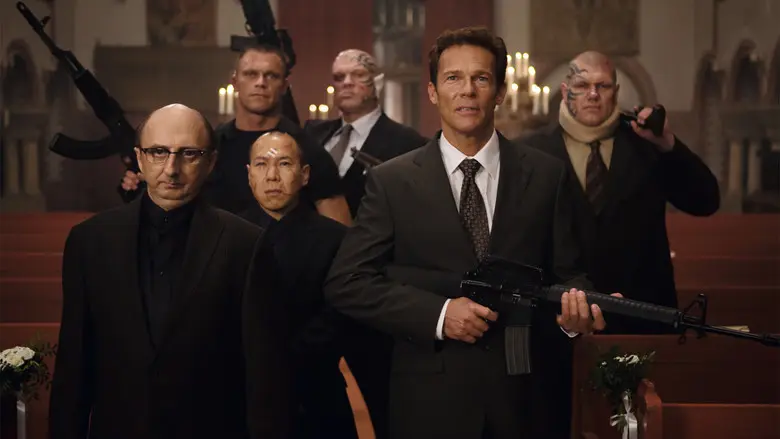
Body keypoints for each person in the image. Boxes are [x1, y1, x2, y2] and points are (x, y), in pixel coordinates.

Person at [324, 27, 613, 439]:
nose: (467, 91)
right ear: (433, 92)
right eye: (453, 78)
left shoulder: (546, 175)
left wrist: (575, 314)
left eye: (480, 78)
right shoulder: (392, 182)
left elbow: (569, 274)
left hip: (525, 401)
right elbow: (347, 283)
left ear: (500, 92)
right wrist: (439, 315)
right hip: (428, 403)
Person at [49, 104, 291, 439]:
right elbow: (74, 368)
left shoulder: (247, 245)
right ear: (140, 158)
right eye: (158, 152)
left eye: (189, 154)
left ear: (211, 162)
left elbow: (265, 377)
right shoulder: (89, 241)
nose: (172, 169)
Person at [516, 50, 721, 439]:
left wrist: (668, 142)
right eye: (582, 85)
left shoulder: (646, 146)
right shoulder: (532, 152)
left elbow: (706, 200)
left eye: (603, 85)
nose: (593, 94)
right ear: (565, 91)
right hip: (557, 323)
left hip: (641, 317)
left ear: (617, 91)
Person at [304, 49, 427, 438]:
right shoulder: (312, 136)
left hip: (375, 284)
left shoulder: (407, 142)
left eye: (356, 75)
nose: (346, 84)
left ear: (377, 83)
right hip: (315, 287)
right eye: (338, 77)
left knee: (385, 403)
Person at [120, 43, 352, 224]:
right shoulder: (210, 145)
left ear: (284, 86)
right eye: (251, 74)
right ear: (235, 81)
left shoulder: (305, 148)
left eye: (271, 75)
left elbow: (338, 231)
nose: (260, 83)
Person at [239, 131, 358, 439]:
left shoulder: (338, 239)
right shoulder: (227, 235)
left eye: (284, 164)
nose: (272, 176)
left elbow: (341, 313)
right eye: (262, 165)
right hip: (242, 394)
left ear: (304, 175)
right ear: (249, 175)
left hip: (317, 394)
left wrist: (280, 357)